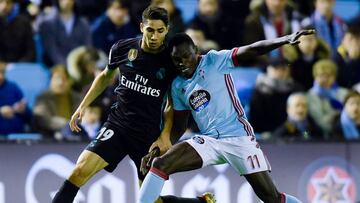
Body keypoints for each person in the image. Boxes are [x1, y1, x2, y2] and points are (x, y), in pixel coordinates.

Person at [52, 6, 215, 203]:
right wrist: (83, 105)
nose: (155, 36)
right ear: (141, 27)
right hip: (118, 125)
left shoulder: (170, 61)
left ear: (167, 29)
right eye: (150, 30)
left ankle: (201, 202)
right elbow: (105, 76)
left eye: (160, 31)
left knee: (151, 201)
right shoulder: (122, 48)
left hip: (147, 135)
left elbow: (172, 103)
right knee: (78, 172)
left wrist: (165, 136)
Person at [138, 30, 315, 203]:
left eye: (186, 56)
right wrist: (155, 151)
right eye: (177, 60)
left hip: (239, 138)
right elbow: (179, 126)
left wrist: (284, 39)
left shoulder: (215, 60)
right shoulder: (178, 85)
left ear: (196, 50)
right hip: (209, 141)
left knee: (272, 198)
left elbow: (252, 49)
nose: (182, 63)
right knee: (160, 164)